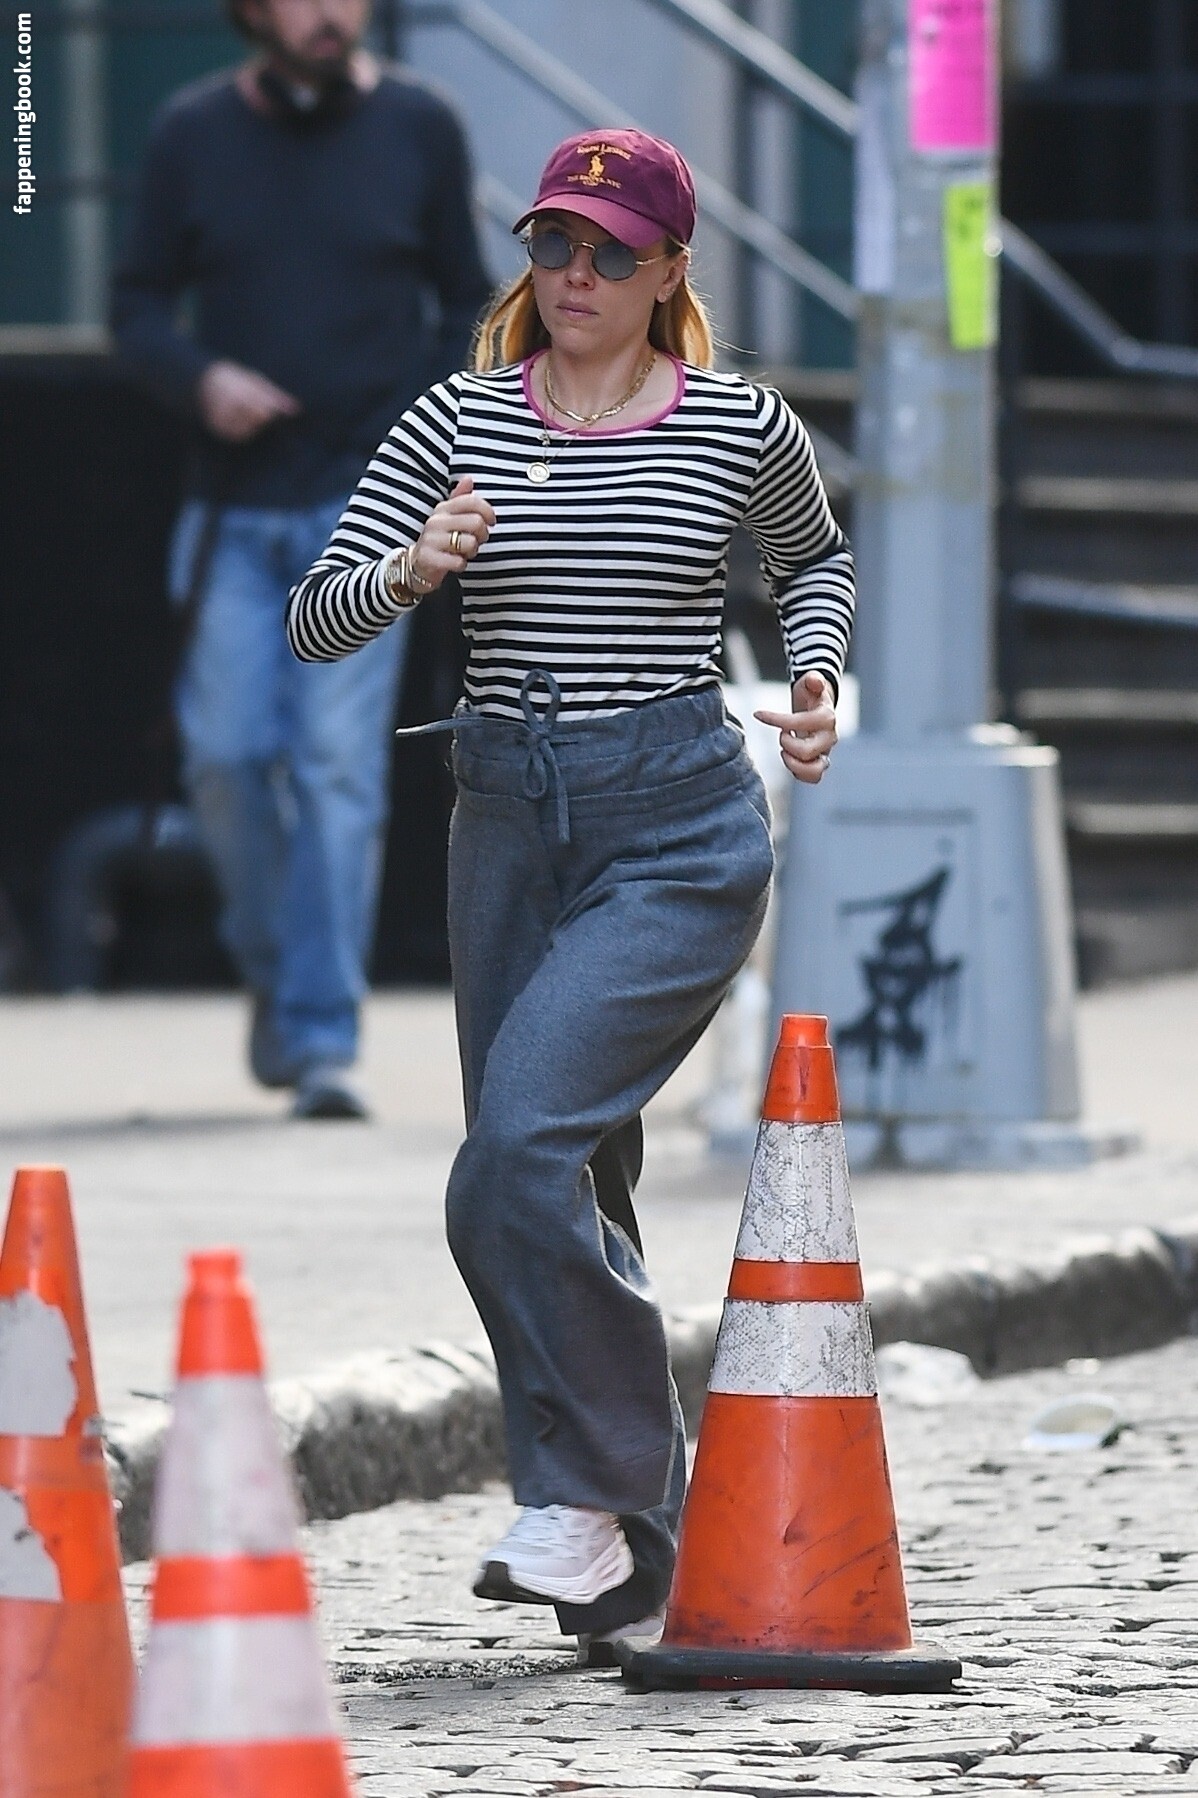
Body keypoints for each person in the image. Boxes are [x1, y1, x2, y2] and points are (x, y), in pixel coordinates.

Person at [287, 129, 853, 1653]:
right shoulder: (456, 416)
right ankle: (632, 1540)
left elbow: (814, 560)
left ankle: (578, 1492)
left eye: (610, 252)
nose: (576, 274)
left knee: (511, 1156)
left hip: (673, 828)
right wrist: (413, 570)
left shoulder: (736, 421)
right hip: (503, 825)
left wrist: (812, 675)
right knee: (570, 1179)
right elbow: (312, 619)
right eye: (553, 244)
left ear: (670, 270)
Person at [111, 0, 491, 1118]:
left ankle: (321, 1039)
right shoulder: (190, 131)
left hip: (367, 514)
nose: (329, 13)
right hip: (229, 509)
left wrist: (412, 433)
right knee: (224, 758)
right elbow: (135, 307)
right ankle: (278, 975)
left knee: (334, 768)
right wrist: (203, 381)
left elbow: (467, 304)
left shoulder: (422, 123)